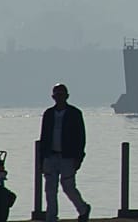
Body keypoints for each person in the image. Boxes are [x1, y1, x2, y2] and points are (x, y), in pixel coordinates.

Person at [38, 83, 91, 222]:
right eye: (57, 95)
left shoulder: (75, 113)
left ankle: (83, 209)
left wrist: (79, 158)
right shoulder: (48, 114)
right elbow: (43, 137)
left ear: (67, 96)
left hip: (68, 157)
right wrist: (41, 161)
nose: (59, 97)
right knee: (50, 190)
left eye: (61, 94)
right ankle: (51, 218)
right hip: (50, 156)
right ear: (53, 97)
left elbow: (81, 137)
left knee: (68, 187)